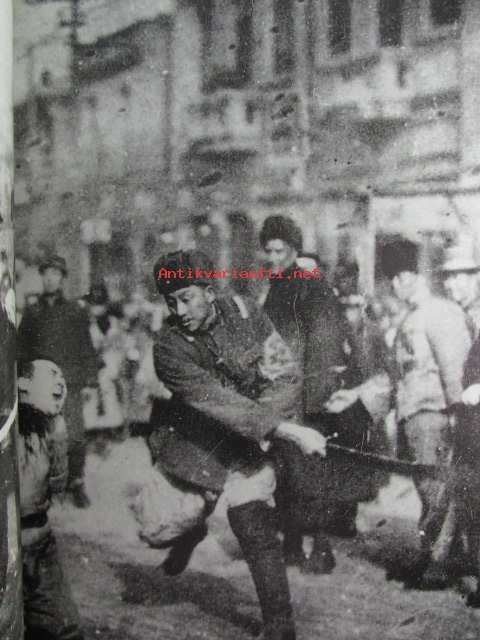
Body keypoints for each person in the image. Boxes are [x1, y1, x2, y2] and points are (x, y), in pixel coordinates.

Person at [149, 250, 327, 640]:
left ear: (209, 292)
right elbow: (215, 401)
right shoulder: (168, 348)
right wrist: (283, 430)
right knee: (159, 526)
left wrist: (267, 427)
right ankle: (189, 532)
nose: (179, 311)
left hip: (251, 438)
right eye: (170, 302)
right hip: (199, 443)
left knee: (251, 521)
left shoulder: (247, 314)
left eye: (186, 298)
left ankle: (279, 625)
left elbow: (285, 375)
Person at [377, 239, 470, 588]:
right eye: (393, 278)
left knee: (437, 489)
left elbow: (454, 368)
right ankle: (432, 556)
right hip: (415, 413)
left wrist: (458, 414)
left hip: (434, 412)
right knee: (427, 487)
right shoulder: (412, 315)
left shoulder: (439, 312)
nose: (395, 286)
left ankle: (441, 562)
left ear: (410, 277)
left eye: (399, 277)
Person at [259, 215, 350, 571]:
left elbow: (325, 344)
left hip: (306, 398)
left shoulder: (312, 286)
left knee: (312, 476)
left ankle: (322, 549)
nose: (273, 257)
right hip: (280, 395)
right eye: (268, 251)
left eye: (279, 251)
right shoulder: (277, 286)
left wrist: (313, 400)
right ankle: (292, 544)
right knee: (285, 473)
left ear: (294, 250)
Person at [17, 255, 97, 508]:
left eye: (56, 274)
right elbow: (21, 349)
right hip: (41, 381)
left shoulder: (75, 311)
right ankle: (44, 484)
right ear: (42, 277)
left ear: (63, 278)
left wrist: (90, 381)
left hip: (70, 380)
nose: (51, 278)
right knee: (42, 434)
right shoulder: (32, 312)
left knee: (74, 434)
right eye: (47, 273)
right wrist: (23, 378)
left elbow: (86, 346)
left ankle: (76, 482)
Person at [18, 359, 84, 640]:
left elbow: (56, 483)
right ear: (22, 385)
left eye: (63, 376)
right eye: (52, 374)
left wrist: (57, 433)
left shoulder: (53, 426)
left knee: (64, 628)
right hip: (9, 545)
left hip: (39, 541)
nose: (61, 382)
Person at [441, 241, 480, 339]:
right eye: (446, 277)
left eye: (455, 276)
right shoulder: (454, 316)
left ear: (475, 277)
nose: (448, 284)